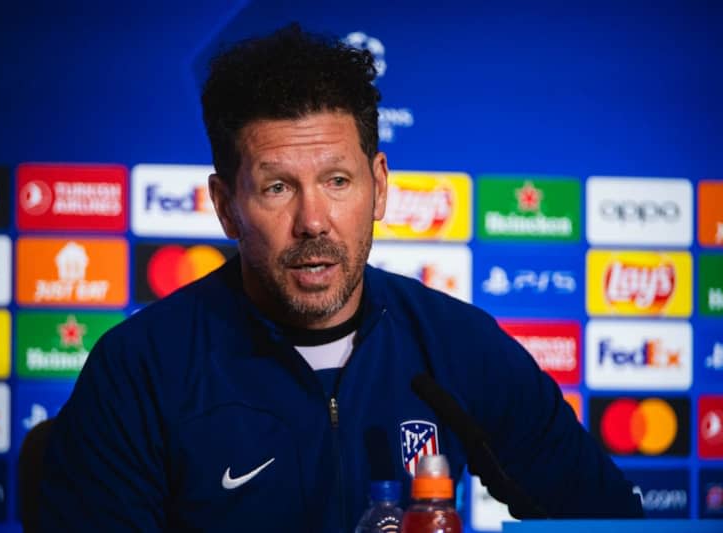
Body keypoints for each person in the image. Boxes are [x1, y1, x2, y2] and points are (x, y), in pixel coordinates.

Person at [38, 24, 643, 532]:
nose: (313, 222)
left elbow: (606, 520)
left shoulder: (460, 346)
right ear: (225, 206)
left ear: (378, 186)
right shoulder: (139, 370)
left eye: (337, 181)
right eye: (277, 188)